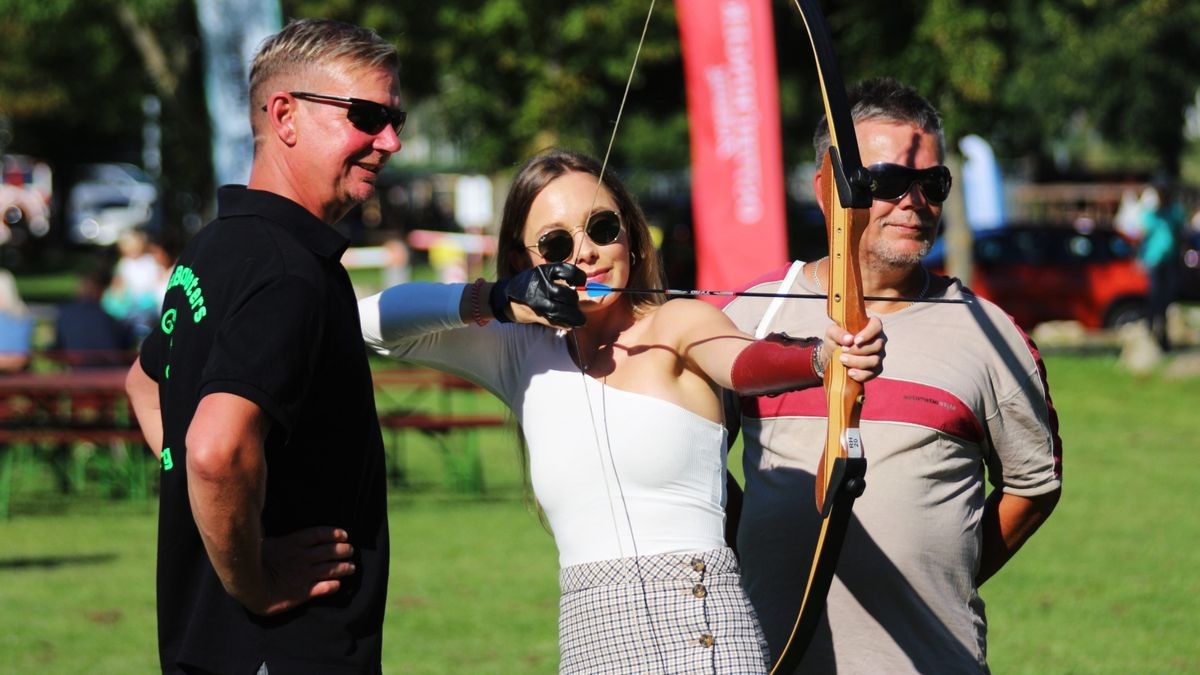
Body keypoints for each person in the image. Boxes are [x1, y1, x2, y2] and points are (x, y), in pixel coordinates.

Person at [358, 148, 885, 674]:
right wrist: (498, 300)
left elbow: (740, 361)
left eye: (602, 228)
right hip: (590, 643)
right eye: (556, 243)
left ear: (631, 237)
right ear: (524, 261)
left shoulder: (677, 323)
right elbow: (367, 322)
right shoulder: (519, 352)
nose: (585, 253)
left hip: (703, 635)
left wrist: (822, 357)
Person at [721, 78, 1063, 673]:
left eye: (932, 184)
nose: (914, 201)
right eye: (885, 182)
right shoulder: (751, 314)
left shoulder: (993, 336)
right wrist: (750, 543)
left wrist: (948, 568)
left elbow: (1033, 485)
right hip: (776, 654)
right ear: (829, 190)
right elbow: (686, 462)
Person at [125, 18, 403, 674]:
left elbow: (143, 383)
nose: (388, 141)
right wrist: (254, 578)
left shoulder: (217, 246)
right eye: (366, 116)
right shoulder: (288, 271)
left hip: (209, 648)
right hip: (284, 649)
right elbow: (215, 449)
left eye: (395, 119)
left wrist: (218, 507)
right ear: (285, 115)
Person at [1137, 180, 1186, 351]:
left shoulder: (1175, 213)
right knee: (1155, 297)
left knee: (1167, 300)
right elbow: (1143, 238)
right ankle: (1149, 330)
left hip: (1171, 261)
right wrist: (1141, 258)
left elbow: (1180, 235)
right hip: (1154, 261)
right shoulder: (1150, 215)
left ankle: (1163, 337)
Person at [54, 265, 134, 368]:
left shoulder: (65, 314)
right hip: (109, 374)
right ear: (101, 290)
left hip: (79, 373)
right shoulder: (110, 320)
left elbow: (59, 347)